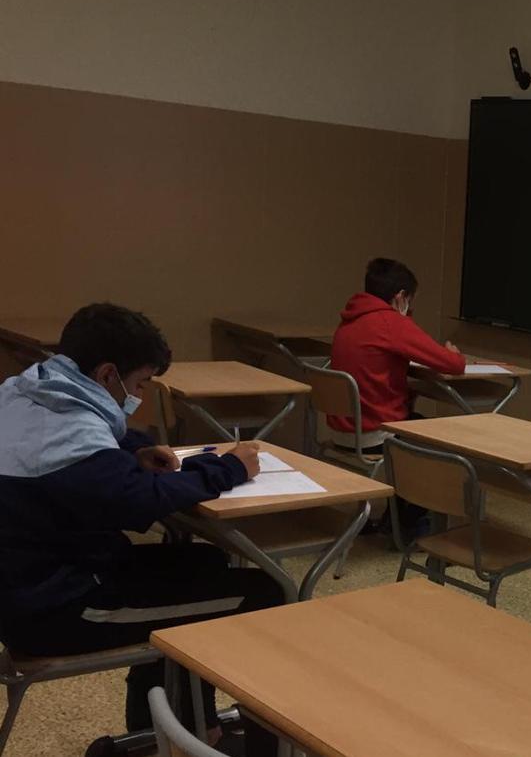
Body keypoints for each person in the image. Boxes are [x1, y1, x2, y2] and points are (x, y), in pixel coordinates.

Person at [0, 304, 283, 757]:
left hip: (33, 583)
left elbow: (99, 437)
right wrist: (228, 466)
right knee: (266, 593)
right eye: (136, 385)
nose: (135, 397)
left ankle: (165, 732)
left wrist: (138, 447)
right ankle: (260, 749)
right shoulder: (69, 437)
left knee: (206, 561)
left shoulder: (26, 390)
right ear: (108, 373)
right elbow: (141, 501)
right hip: (60, 608)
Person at [330, 258, 466, 539]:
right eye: (410, 302)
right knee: (440, 444)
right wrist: (453, 352)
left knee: (416, 426)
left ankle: (394, 520)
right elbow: (453, 365)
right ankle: (408, 526)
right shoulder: (389, 322)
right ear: (400, 297)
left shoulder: (349, 320)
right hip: (374, 434)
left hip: (342, 431)